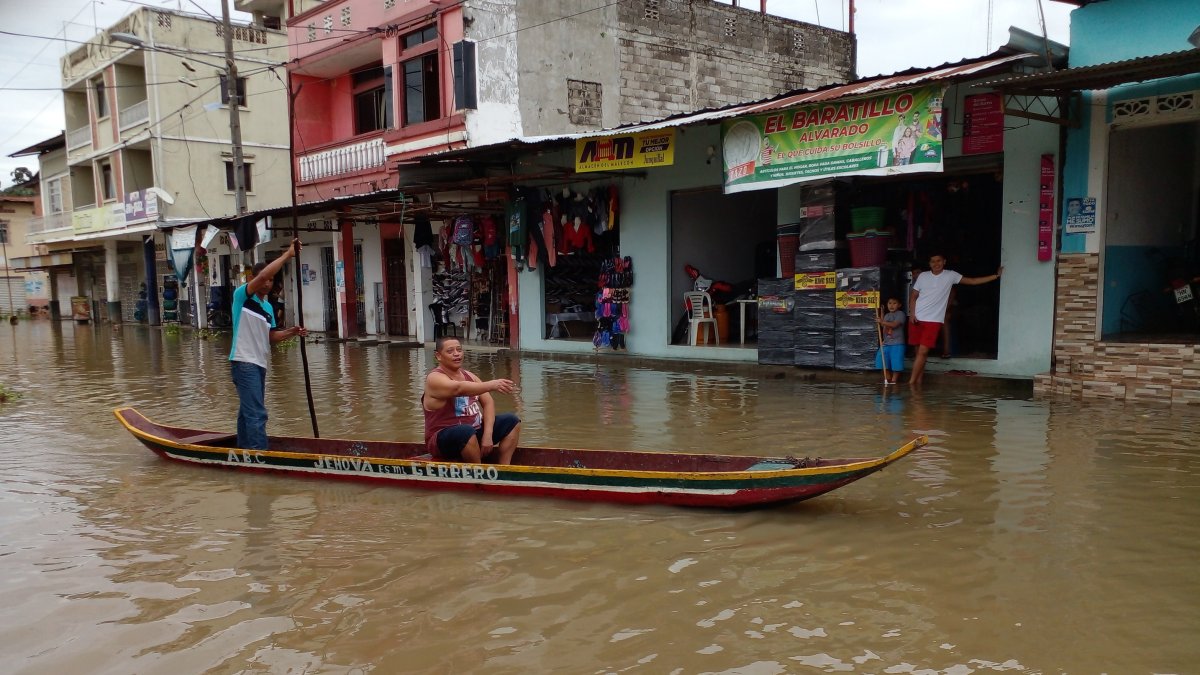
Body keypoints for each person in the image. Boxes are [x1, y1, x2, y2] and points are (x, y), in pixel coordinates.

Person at [229, 239, 307, 449]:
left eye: (271, 280)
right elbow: (263, 274)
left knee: (248, 413)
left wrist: (291, 332)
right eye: (264, 280)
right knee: (256, 413)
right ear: (253, 279)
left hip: (259, 364)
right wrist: (287, 255)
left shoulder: (268, 308)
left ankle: (245, 450)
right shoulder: (242, 297)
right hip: (243, 362)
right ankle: (258, 455)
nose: (267, 283)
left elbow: (271, 337)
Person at [423, 336, 522, 464]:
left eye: (459, 350)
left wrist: (487, 435)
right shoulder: (434, 378)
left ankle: (505, 468)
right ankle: (478, 473)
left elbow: (488, 402)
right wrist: (492, 384)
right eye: (450, 351)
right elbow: (458, 388)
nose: (456, 354)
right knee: (465, 431)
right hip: (442, 440)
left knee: (511, 420)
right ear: (438, 356)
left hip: (472, 434)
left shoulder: (469, 376)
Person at [908, 253, 1002, 386]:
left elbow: (972, 281)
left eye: (939, 261)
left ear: (944, 261)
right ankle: (918, 382)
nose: (936, 264)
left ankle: (911, 383)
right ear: (929, 264)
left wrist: (996, 276)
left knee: (923, 351)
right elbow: (913, 296)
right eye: (933, 261)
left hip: (933, 320)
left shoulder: (950, 275)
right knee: (919, 352)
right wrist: (912, 314)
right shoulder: (923, 276)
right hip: (917, 317)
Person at [875, 296, 906, 385]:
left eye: (894, 303)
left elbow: (894, 324)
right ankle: (888, 378)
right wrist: (882, 312)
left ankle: (894, 380)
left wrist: (881, 321)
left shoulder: (901, 314)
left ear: (899, 305)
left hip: (897, 343)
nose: (891, 305)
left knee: (896, 363)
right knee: (881, 360)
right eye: (889, 303)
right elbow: (882, 325)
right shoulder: (887, 315)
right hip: (886, 343)